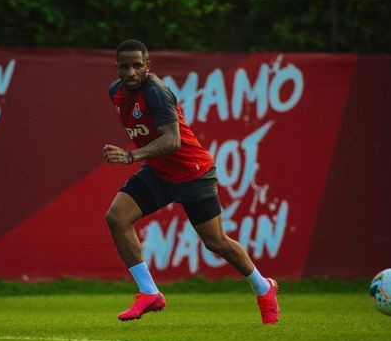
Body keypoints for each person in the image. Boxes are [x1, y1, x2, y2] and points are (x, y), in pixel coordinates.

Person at [103, 39, 279, 324]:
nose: (132, 72)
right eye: (125, 66)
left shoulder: (156, 92)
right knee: (117, 218)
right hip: (160, 173)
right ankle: (149, 293)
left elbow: (173, 141)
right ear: (117, 68)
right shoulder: (116, 93)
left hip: (192, 172)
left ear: (148, 66)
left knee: (216, 242)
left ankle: (263, 287)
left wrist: (131, 156)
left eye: (138, 65)